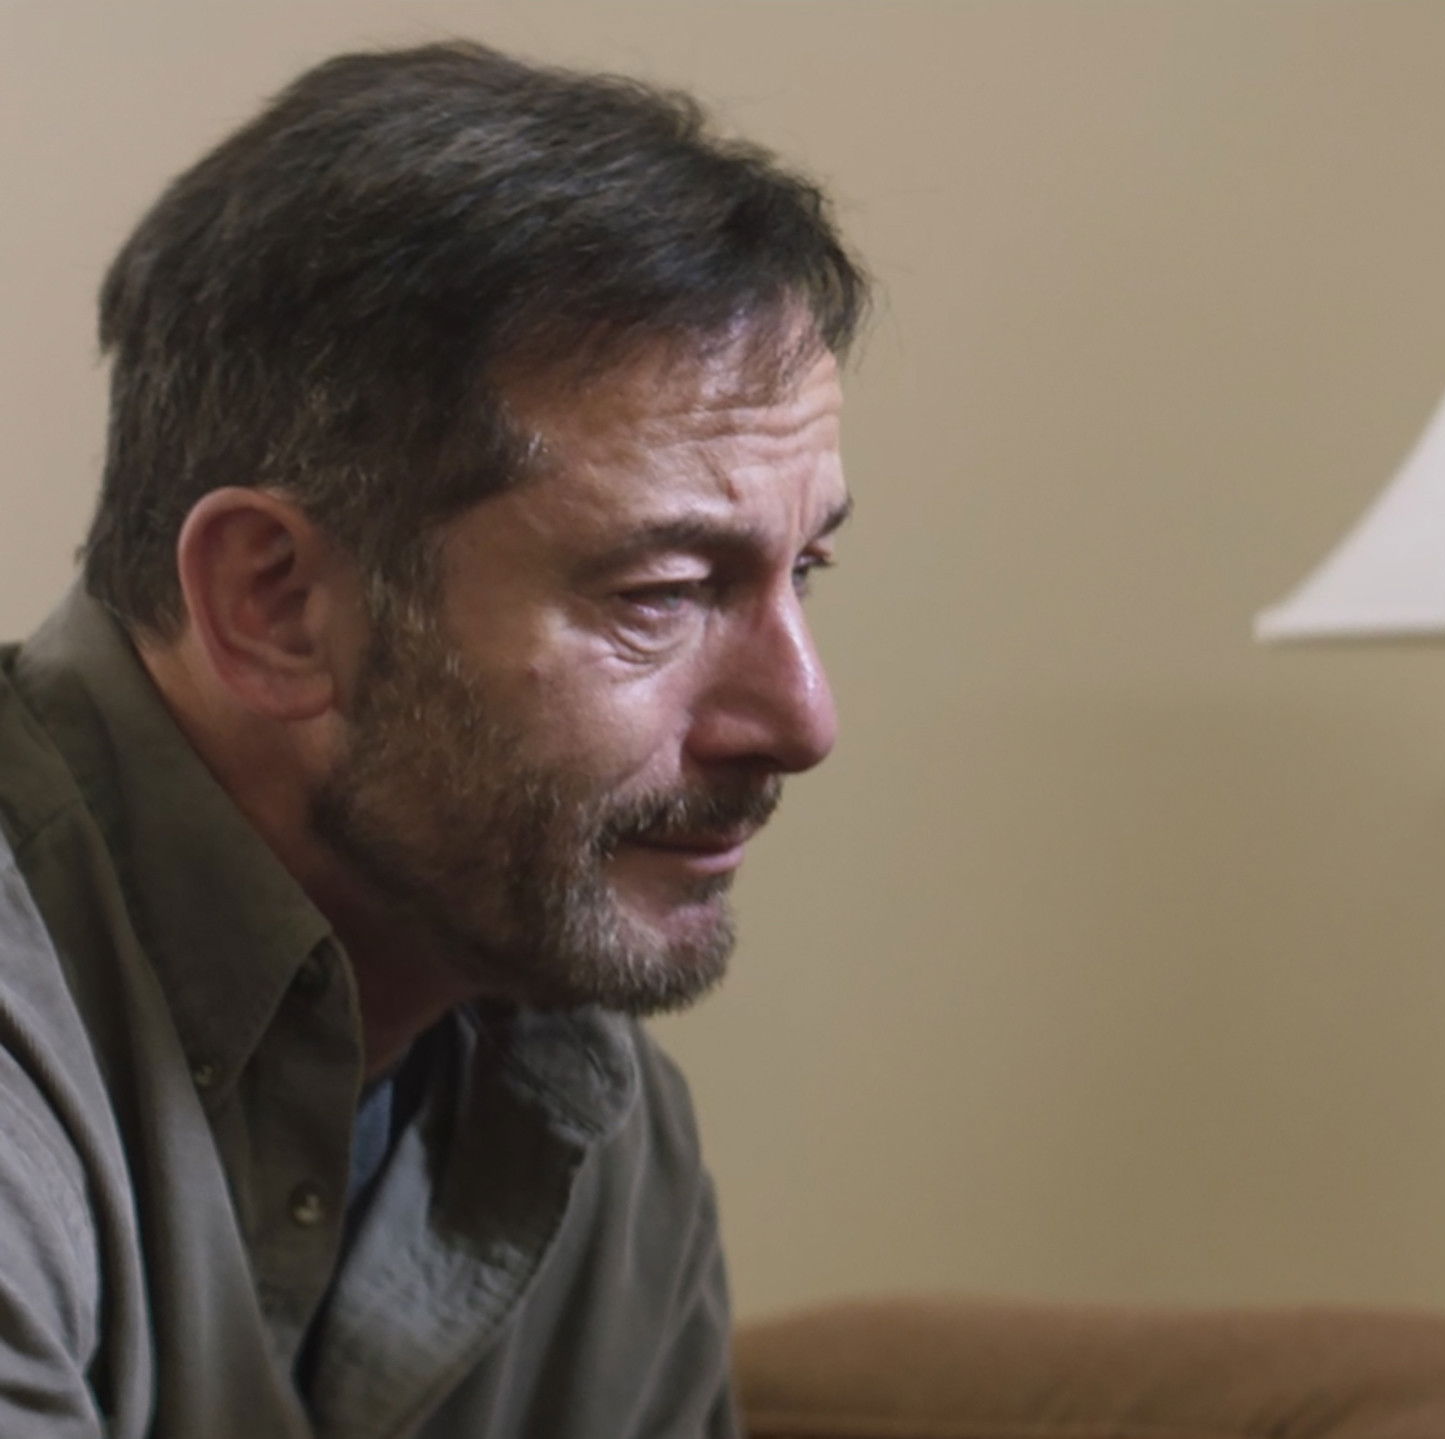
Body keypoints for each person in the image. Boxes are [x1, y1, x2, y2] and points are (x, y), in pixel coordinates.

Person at [0, 41, 865, 1438]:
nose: (802, 719)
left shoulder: (591, 1108)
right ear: (277, 603)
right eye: (660, 593)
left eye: (803, 570)